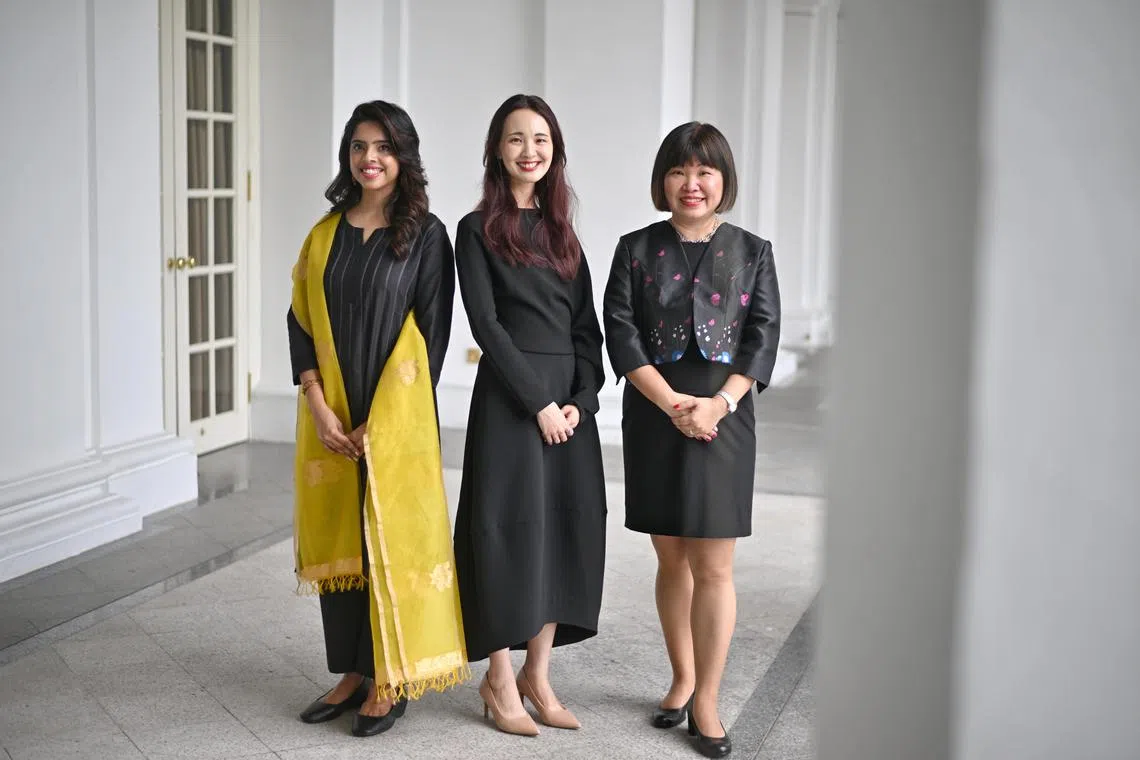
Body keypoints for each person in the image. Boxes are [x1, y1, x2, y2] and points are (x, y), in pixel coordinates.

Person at [287, 100, 467, 738]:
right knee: (345, 543)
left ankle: (391, 674)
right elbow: (299, 320)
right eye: (360, 146)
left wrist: (382, 423)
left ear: (404, 156)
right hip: (333, 417)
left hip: (395, 418)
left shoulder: (426, 235)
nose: (370, 158)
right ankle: (353, 670)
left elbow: (430, 336)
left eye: (384, 147)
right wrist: (317, 404)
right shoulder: (324, 234)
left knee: (391, 542)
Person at [602, 122, 781, 758]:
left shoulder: (753, 250)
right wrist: (673, 404)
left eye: (704, 170)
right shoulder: (634, 248)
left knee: (714, 566)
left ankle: (707, 699)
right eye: (679, 171)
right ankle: (681, 678)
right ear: (663, 180)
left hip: (725, 414)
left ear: (723, 179)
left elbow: (762, 337)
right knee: (671, 557)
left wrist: (718, 404)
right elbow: (620, 333)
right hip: (656, 410)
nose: (691, 183)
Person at [452, 94, 607, 737]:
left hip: (567, 409)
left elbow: (586, 330)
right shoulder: (475, 230)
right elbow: (486, 325)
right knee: (504, 531)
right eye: (516, 138)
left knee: (562, 533)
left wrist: (579, 402)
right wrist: (539, 403)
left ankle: (536, 675)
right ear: (497, 149)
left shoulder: (564, 233)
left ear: (555, 151)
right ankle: (497, 674)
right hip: (511, 402)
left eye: (541, 139)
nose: (529, 150)